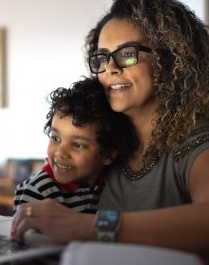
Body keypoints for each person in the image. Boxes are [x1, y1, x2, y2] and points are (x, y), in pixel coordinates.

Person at [11, 0, 209, 265]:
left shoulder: (195, 139)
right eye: (102, 58)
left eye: (128, 54)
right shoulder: (108, 141)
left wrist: (91, 227)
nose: (111, 69)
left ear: (169, 60)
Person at [13, 77, 137, 214]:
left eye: (78, 145)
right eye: (55, 138)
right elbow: (22, 233)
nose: (60, 152)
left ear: (108, 154)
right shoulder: (38, 190)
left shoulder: (111, 183)